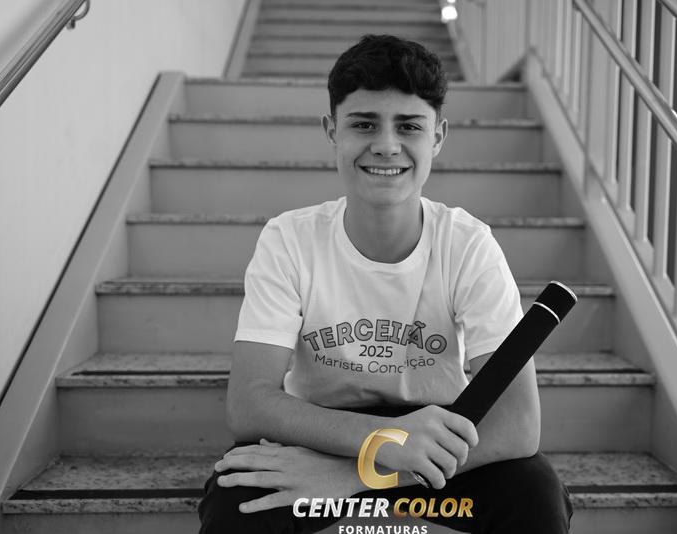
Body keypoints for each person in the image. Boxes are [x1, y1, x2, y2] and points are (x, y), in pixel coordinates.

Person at [198, 34, 572, 533]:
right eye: (364, 124)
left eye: (409, 126)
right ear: (332, 130)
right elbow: (249, 401)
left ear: (438, 136)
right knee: (238, 502)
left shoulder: (468, 244)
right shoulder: (289, 239)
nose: (386, 145)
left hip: (433, 447)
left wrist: (361, 475)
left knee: (535, 496)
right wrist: (382, 442)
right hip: (323, 433)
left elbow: (519, 424)